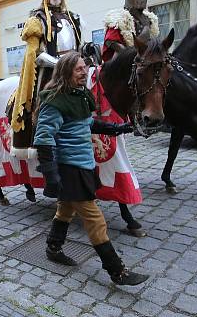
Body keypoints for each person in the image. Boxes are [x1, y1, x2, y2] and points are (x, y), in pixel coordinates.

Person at [33, 52, 148, 286]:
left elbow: (87, 123)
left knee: (65, 210)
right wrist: (51, 175)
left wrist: (116, 128)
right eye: (78, 69)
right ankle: (117, 272)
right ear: (66, 72)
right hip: (69, 168)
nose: (84, 72)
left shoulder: (79, 95)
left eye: (85, 68)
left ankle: (53, 248)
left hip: (83, 165)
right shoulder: (55, 100)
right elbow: (44, 138)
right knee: (96, 220)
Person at [89, 0, 159, 236]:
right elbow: (113, 47)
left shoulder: (148, 20)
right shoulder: (119, 20)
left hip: (140, 65)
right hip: (123, 65)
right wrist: (132, 54)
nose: (142, 0)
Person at [8, 0, 82, 157]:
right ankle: (36, 140)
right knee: (40, 100)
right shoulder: (38, 19)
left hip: (74, 66)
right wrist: (60, 64)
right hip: (52, 69)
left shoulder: (72, 18)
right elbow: (37, 54)